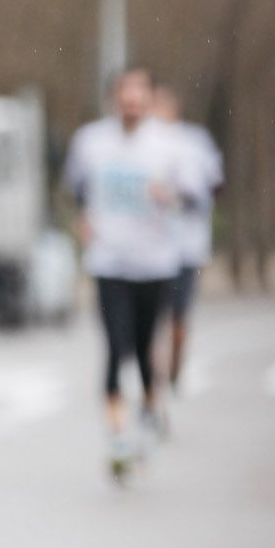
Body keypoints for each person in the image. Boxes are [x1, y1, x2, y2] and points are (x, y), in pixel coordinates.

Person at [63, 68, 201, 481]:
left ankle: (147, 417)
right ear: (115, 98)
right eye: (126, 93)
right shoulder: (90, 142)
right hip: (108, 263)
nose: (132, 101)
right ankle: (118, 436)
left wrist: (170, 194)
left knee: (144, 352)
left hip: (156, 264)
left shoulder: (169, 144)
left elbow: (196, 197)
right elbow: (75, 189)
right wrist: (82, 219)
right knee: (114, 347)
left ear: (148, 99)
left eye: (140, 94)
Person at [152, 85, 223, 397]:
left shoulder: (195, 142)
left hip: (187, 248)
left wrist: (182, 198)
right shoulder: (140, 144)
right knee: (153, 320)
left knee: (179, 319)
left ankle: (176, 368)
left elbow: (215, 186)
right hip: (150, 249)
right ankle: (152, 378)